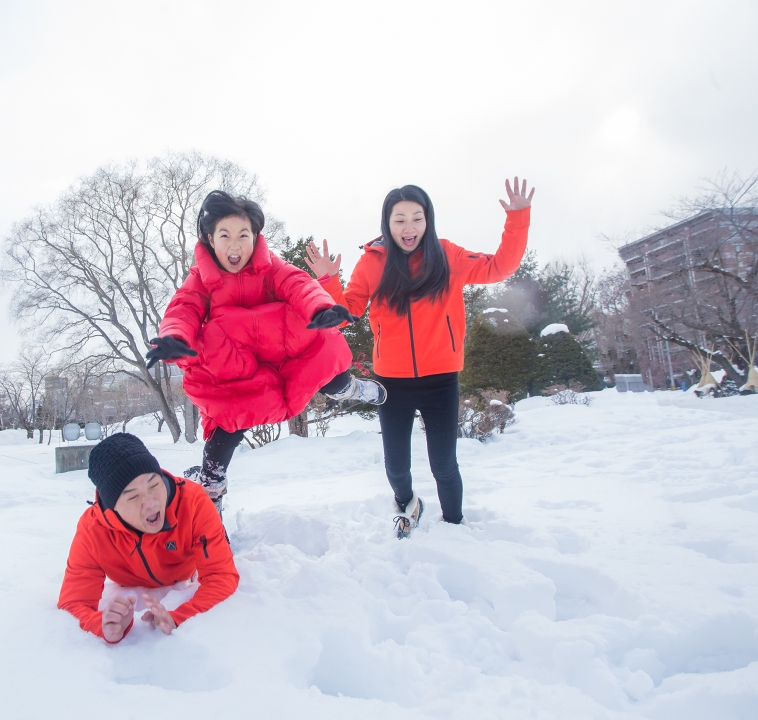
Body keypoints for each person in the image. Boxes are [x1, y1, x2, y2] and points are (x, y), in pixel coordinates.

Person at [305, 179, 533, 538]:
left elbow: (499, 267)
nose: (409, 228)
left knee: (444, 463)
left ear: (427, 220)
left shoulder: (447, 256)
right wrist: (329, 280)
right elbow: (348, 311)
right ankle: (409, 504)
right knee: (396, 467)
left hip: (441, 380)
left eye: (417, 218)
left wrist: (517, 218)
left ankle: (455, 524)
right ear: (387, 223)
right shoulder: (373, 263)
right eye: (399, 220)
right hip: (391, 383)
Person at [146, 190, 386, 513]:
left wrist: (319, 307)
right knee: (227, 427)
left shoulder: (270, 266)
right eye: (225, 236)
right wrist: (175, 338)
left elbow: (298, 284)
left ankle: (354, 388)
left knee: (331, 373)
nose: (235, 246)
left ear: (255, 236)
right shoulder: (202, 280)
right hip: (241, 370)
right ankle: (212, 490)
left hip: (285, 352)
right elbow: (184, 309)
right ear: (210, 239)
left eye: (243, 236)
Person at [57, 433, 239, 644]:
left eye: (154, 485)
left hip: (184, 575)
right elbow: (73, 602)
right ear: (112, 506)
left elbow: (221, 575)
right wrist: (102, 624)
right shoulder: (93, 529)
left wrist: (178, 617)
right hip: (126, 583)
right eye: (133, 497)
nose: (151, 503)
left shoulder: (193, 503)